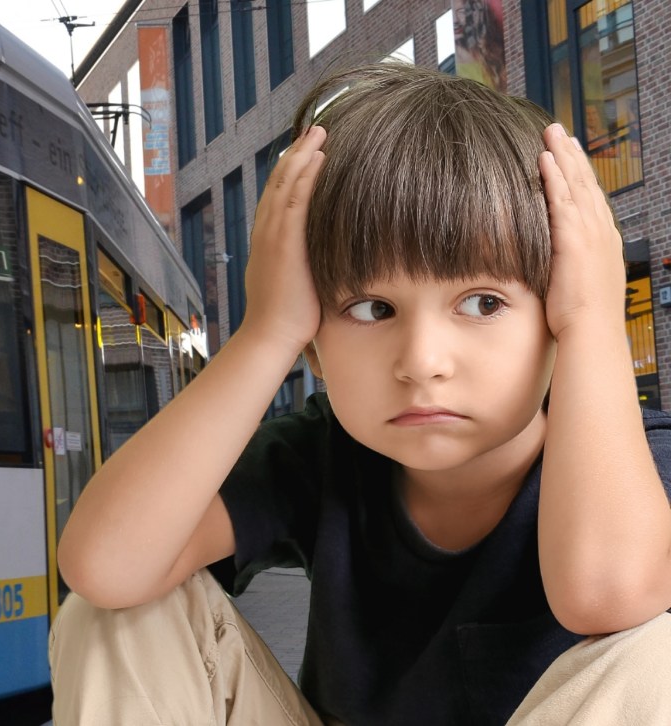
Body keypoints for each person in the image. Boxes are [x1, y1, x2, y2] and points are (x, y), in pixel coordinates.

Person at [49, 63, 671, 725]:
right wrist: (267, 332)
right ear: (316, 336)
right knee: (118, 614)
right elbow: (105, 567)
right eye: (373, 309)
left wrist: (595, 323)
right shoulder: (318, 453)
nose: (422, 362)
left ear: (554, 314)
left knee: (652, 648)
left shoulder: (636, 461)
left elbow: (607, 596)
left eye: (483, 303)